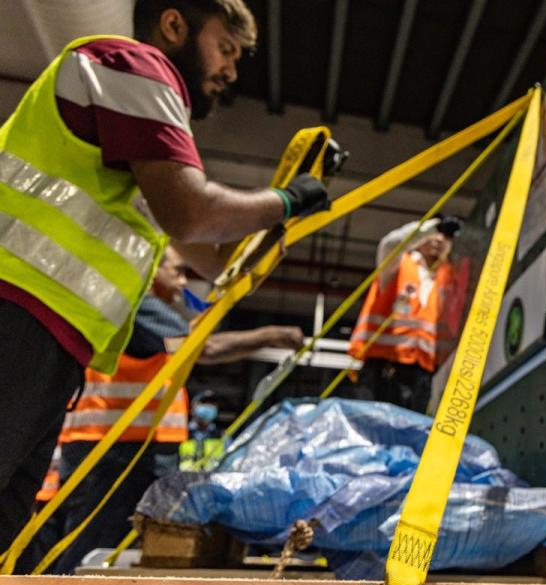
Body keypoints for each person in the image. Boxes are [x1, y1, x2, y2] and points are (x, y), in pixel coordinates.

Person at [0, 0, 330, 551]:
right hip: (19, 313)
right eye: (225, 48)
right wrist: (283, 200)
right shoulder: (130, 65)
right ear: (174, 25)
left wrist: (287, 206)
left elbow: (214, 257)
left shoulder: (128, 170)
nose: (230, 70)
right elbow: (193, 215)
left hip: (49, 336)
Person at [32, 246, 303, 573]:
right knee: (95, 551)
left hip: (127, 447)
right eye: (176, 270)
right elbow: (208, 347)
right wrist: (273, 334)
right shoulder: (137, 302)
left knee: (114, 549)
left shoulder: (146, 317)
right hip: (116, 449)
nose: (182, 280)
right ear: (152, 270)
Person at [348, 216, 467, 413]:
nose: (437, 238)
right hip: (382, 367)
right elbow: (391, 242)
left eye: (445, 235)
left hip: (421, 373)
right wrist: (430, 227)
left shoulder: (450, 279)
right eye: (433, 234)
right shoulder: (398, 263)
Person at [179, 390, 227, 471]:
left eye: (212, 404)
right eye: (203, 402)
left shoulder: (223, 436)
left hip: (211, 482)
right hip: (182, 481)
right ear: (192, 406)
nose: (208, 406)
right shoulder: (180, 434)